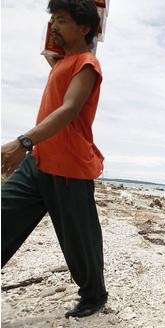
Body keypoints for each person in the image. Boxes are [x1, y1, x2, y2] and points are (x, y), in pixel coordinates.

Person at [1, 0, 107, 318]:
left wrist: (23, 141)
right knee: (4, 213)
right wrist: (30, 148)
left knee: (79, 237)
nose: (54, 26)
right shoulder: (62, 62)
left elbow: (69, 109)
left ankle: (94, 295)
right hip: (40, 160)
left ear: (84, 27)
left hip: (69, 166)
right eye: (53, 21)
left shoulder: (87, 64)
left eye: (61, 20)